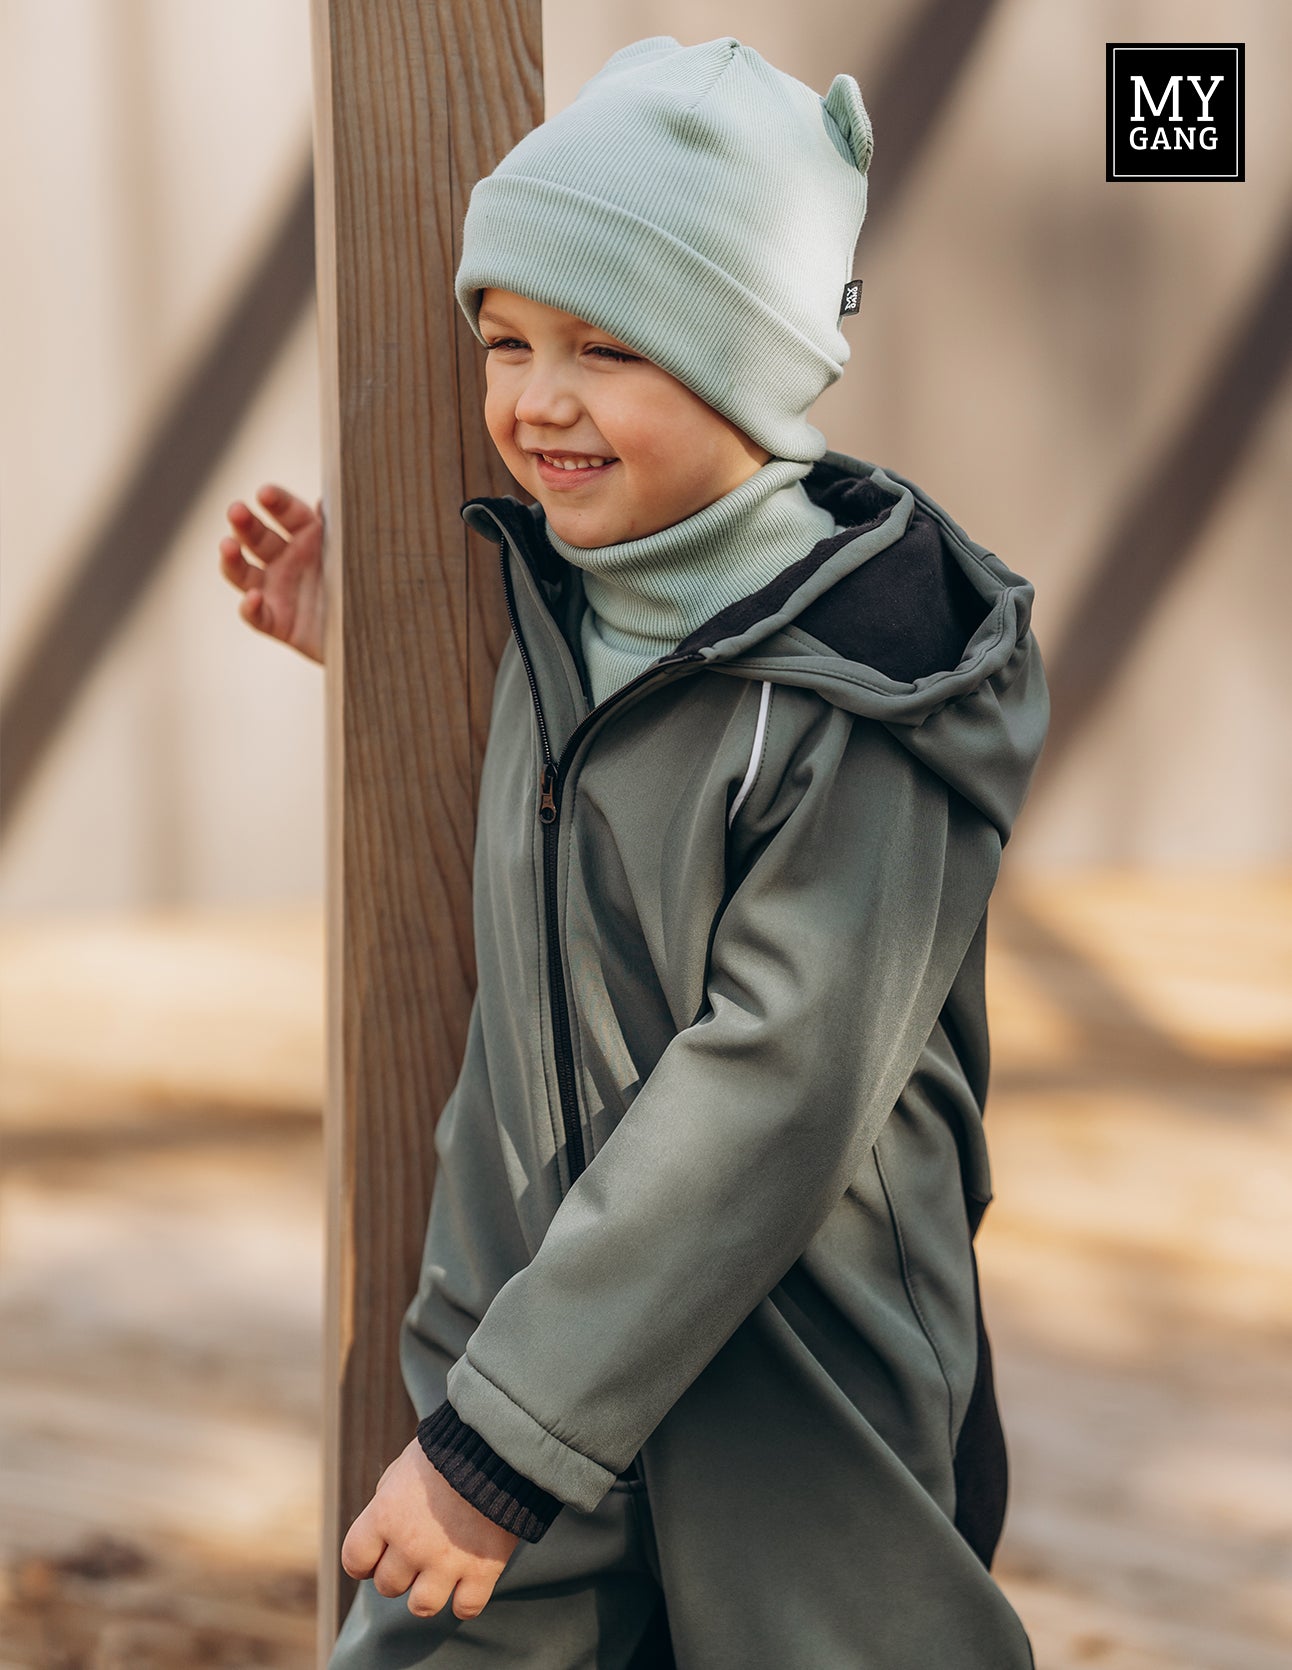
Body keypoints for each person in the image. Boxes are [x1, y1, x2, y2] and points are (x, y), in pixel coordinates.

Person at [219, 35, 1047, 1669]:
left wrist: (499, 1441)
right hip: (530, 1318)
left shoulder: (863, 688)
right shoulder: (568, 595)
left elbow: (779, 1084)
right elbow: (580, 804)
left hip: (800, 1383)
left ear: (747, 360)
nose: (536, 399)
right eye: (506, 338)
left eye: (607, 346)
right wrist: (372, 652)